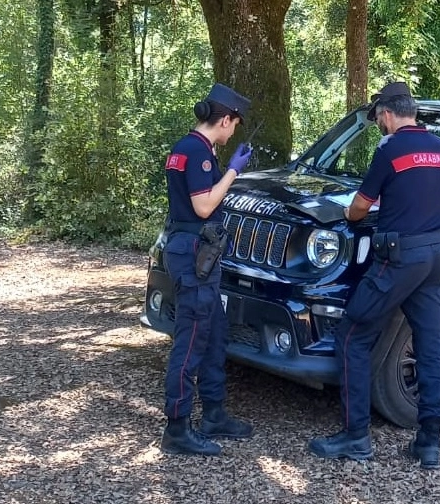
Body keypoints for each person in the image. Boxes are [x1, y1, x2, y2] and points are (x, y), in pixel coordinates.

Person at [308, 82, 440, 469]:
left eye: (378, 119)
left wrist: (348, 215)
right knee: (429, 344)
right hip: (437, 255)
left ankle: (355, 436)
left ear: (387, 113)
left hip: (400, 259)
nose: (378, 125)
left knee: (352, 333)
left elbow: (360, 206)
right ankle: (429, 442)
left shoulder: (390, 148)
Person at [160, 83, 255, 456]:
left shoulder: (187, 148)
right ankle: (177, 428)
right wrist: (231, 172)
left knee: (215, 333)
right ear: (226, 119)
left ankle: (214, 413)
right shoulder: (197, 152)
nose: (233, 133)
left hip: (197, 252)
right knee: (191, 340)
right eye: (235, 125)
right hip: (195, 253)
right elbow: (203, 207)